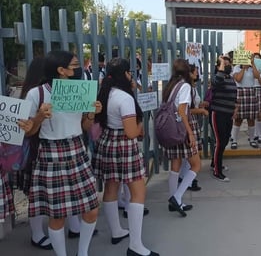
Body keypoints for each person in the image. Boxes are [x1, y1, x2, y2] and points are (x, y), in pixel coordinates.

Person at [19, 50, 101, 256]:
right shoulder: (36, 93)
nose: (79, 69)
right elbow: (29, 130)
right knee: (57, 215)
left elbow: (84, 125)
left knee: (91, 209)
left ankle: (83, 252)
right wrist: (39, 116)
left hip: (77, 150)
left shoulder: (80, 90)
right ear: (61, 70)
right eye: (74, 66)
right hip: (51, 153)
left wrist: (92, 112)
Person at [93, 58, 158, 256]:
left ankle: (117, 231)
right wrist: (140, 127)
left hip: (107, 142)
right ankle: (136, 246)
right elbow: (131, 132)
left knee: (111, 188)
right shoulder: (125, 98)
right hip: (124, 145)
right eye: (129, 72)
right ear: (124, 74)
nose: (131, 75)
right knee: (138, 192)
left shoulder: (105, 94)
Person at [163, 59, 201, 217]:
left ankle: (174, 199)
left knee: (175, 164)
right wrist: (190, 133)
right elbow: (182, 110)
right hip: (182, 127)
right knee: (196, 165)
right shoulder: (185, 86)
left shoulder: (171, 85)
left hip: (172, 127)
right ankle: (177, 197)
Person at [178, 64, 208, 192]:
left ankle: (184, 177)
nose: (197, 74)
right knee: (191, 155)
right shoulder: (186, 88)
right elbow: (186, 110)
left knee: (188, 154)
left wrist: (201, 105)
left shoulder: (192, 88)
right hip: (189, 122)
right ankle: (185, 180)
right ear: (189, 73)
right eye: (195, 72)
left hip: (192, 121)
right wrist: (201, 110)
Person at [210, 55, 238, 182]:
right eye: (224, 64)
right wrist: (221, 63)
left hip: (229, 114)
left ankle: (214, 163)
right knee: (220, 142)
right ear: (218, 66)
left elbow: (234, 95)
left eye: (228, 64)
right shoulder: (217, 78)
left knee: (225, 140)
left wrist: (235, 108)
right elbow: (218, 81)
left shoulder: (231, 78)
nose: (227, 66)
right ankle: (217, 171)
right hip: (218, 114)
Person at [230, 53, 261, 149]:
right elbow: (238, 79)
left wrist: (252, 64)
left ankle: (252, 139)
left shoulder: (252, 68)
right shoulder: (237, 67)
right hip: (240, 92)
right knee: (238, 119)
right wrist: (243, 68)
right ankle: (234, 140)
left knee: (251, 118)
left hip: (251, 92)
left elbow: (258, 76)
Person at [252, 53, 261, 143]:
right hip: (251, 89)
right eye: (255, 58)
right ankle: (254, 134)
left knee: (260, 114)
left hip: (260, 89)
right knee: (252, 114)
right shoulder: (248, 68)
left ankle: (260, 135)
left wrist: (258, 75)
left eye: (258, 58)